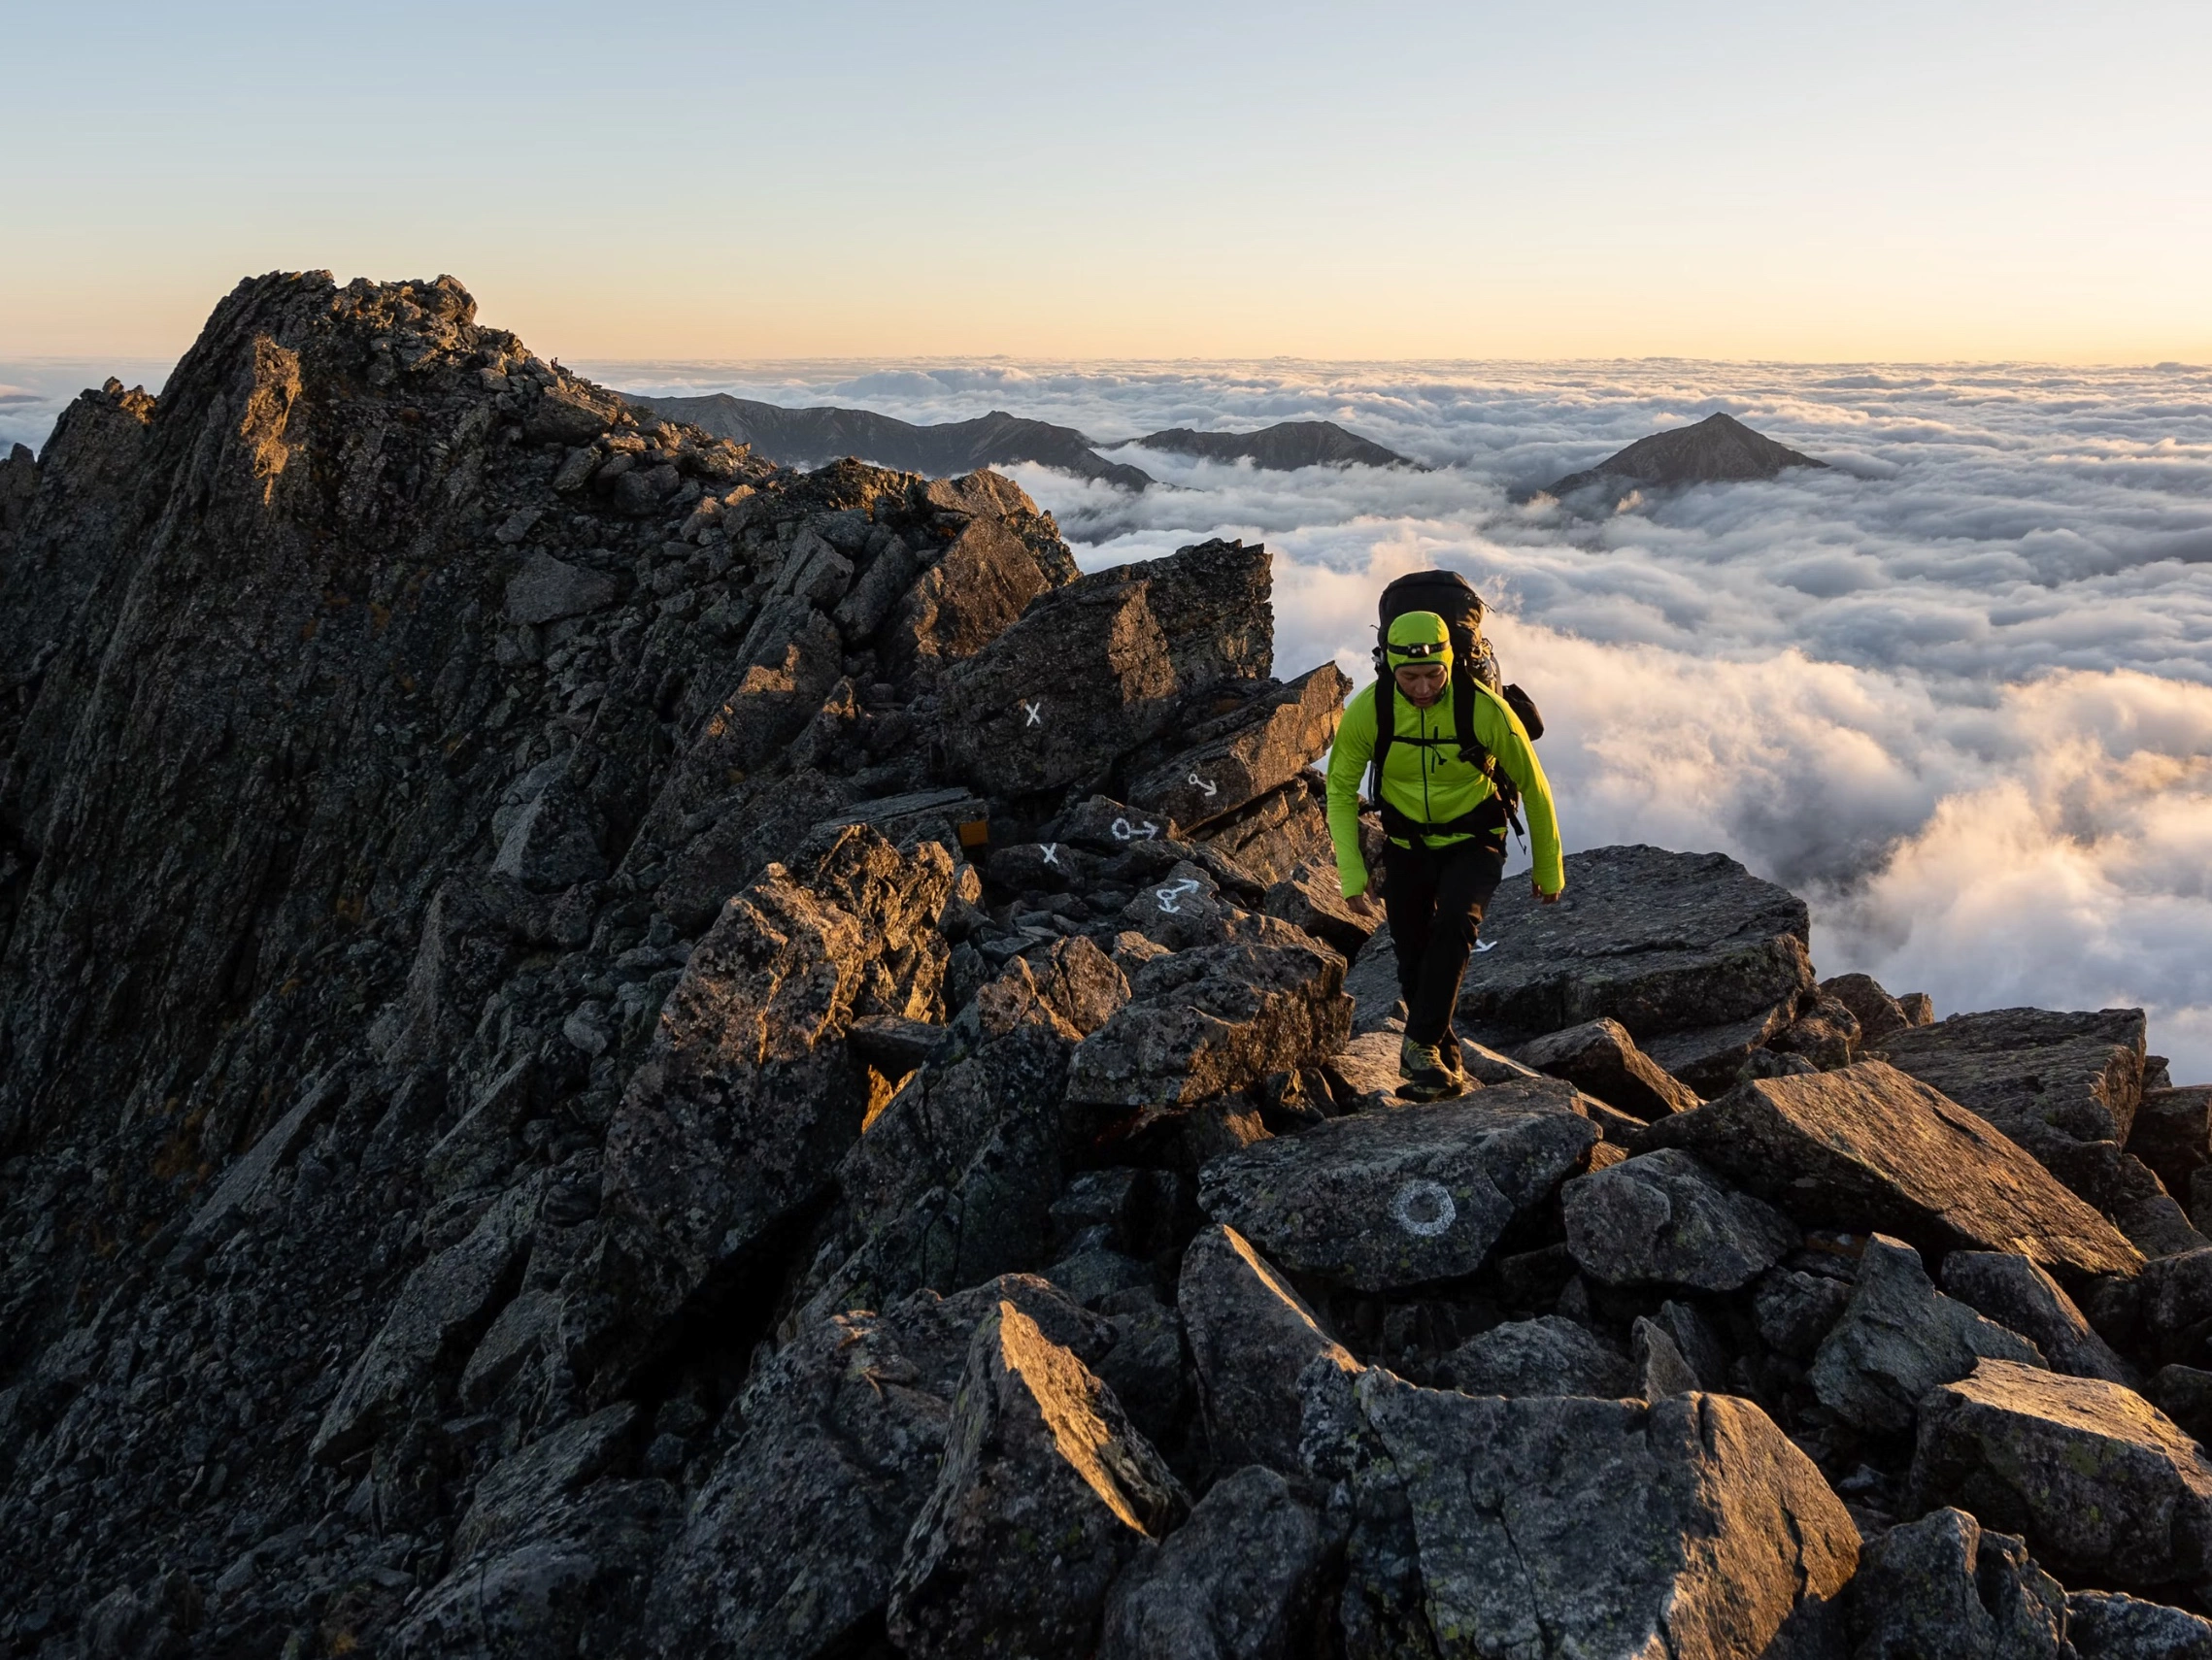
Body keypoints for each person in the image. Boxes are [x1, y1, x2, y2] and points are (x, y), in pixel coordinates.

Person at [1324, 609, 1563, 1100]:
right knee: (1412, 956)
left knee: (1456, 921)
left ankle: (1418, 1046)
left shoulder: (1484, 709)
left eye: (1434, 675)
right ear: (1390, 668)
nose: (1423, 688)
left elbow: (1535, 787)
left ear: (1450, 662)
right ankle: (1440, 1070)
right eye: (1409, 677)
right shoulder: (1371, 710)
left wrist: (1548, 865)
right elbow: (1340, 790)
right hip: (1407, 844)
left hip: (1476, 839)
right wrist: (1351, 874)